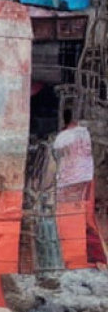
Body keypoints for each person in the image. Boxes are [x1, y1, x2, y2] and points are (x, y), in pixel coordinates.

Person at [52, 110, 106, 267]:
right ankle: (98, 259)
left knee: (75, 223)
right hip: (86, 179)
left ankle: (83, 260)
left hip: (69, 184)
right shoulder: (83, 132)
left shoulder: (63, 137)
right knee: (88, 222)